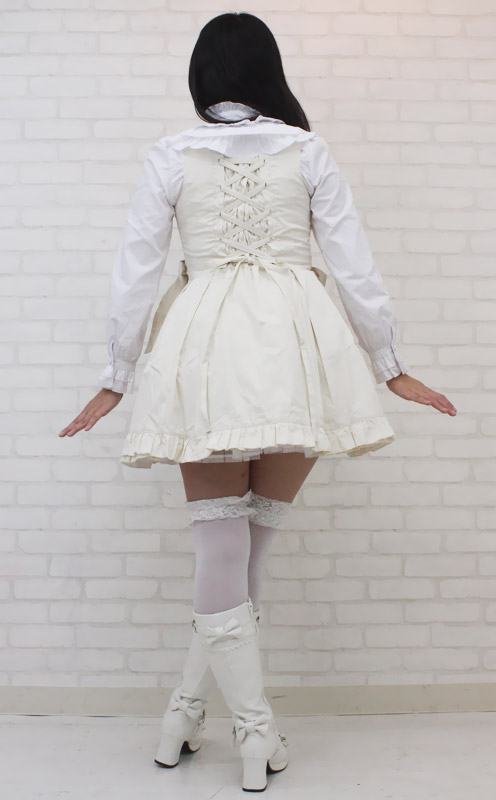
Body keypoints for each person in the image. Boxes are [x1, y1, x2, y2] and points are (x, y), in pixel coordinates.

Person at [58, 11, 457, 793]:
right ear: (269, 72)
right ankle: (233, 725)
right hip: (299, 348)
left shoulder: (171, 154)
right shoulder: (308, 151)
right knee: (249, 553)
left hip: (206, 349)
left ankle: (211, 722)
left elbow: (136, 270)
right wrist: (387, 363)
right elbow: (353, 263)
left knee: (222, 551)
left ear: (202, 75)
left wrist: (118, 373)